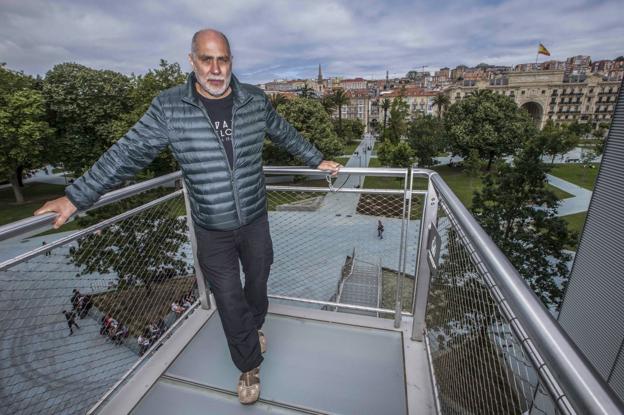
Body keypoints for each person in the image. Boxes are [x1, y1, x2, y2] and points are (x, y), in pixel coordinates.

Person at [34, 29, 341, 405]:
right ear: (192, 60)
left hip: (255, 219)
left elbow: (285, 133)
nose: (215, 69)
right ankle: (248, 363)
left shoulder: (254, 101)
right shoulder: (169, 107)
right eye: (207, 59)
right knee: (229, 300)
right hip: (212, 229)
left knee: (258, 282)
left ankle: (254, 326)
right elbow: (125, 153)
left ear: (231, 62)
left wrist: (315, 159)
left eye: (222, 59)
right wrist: (75, 197)